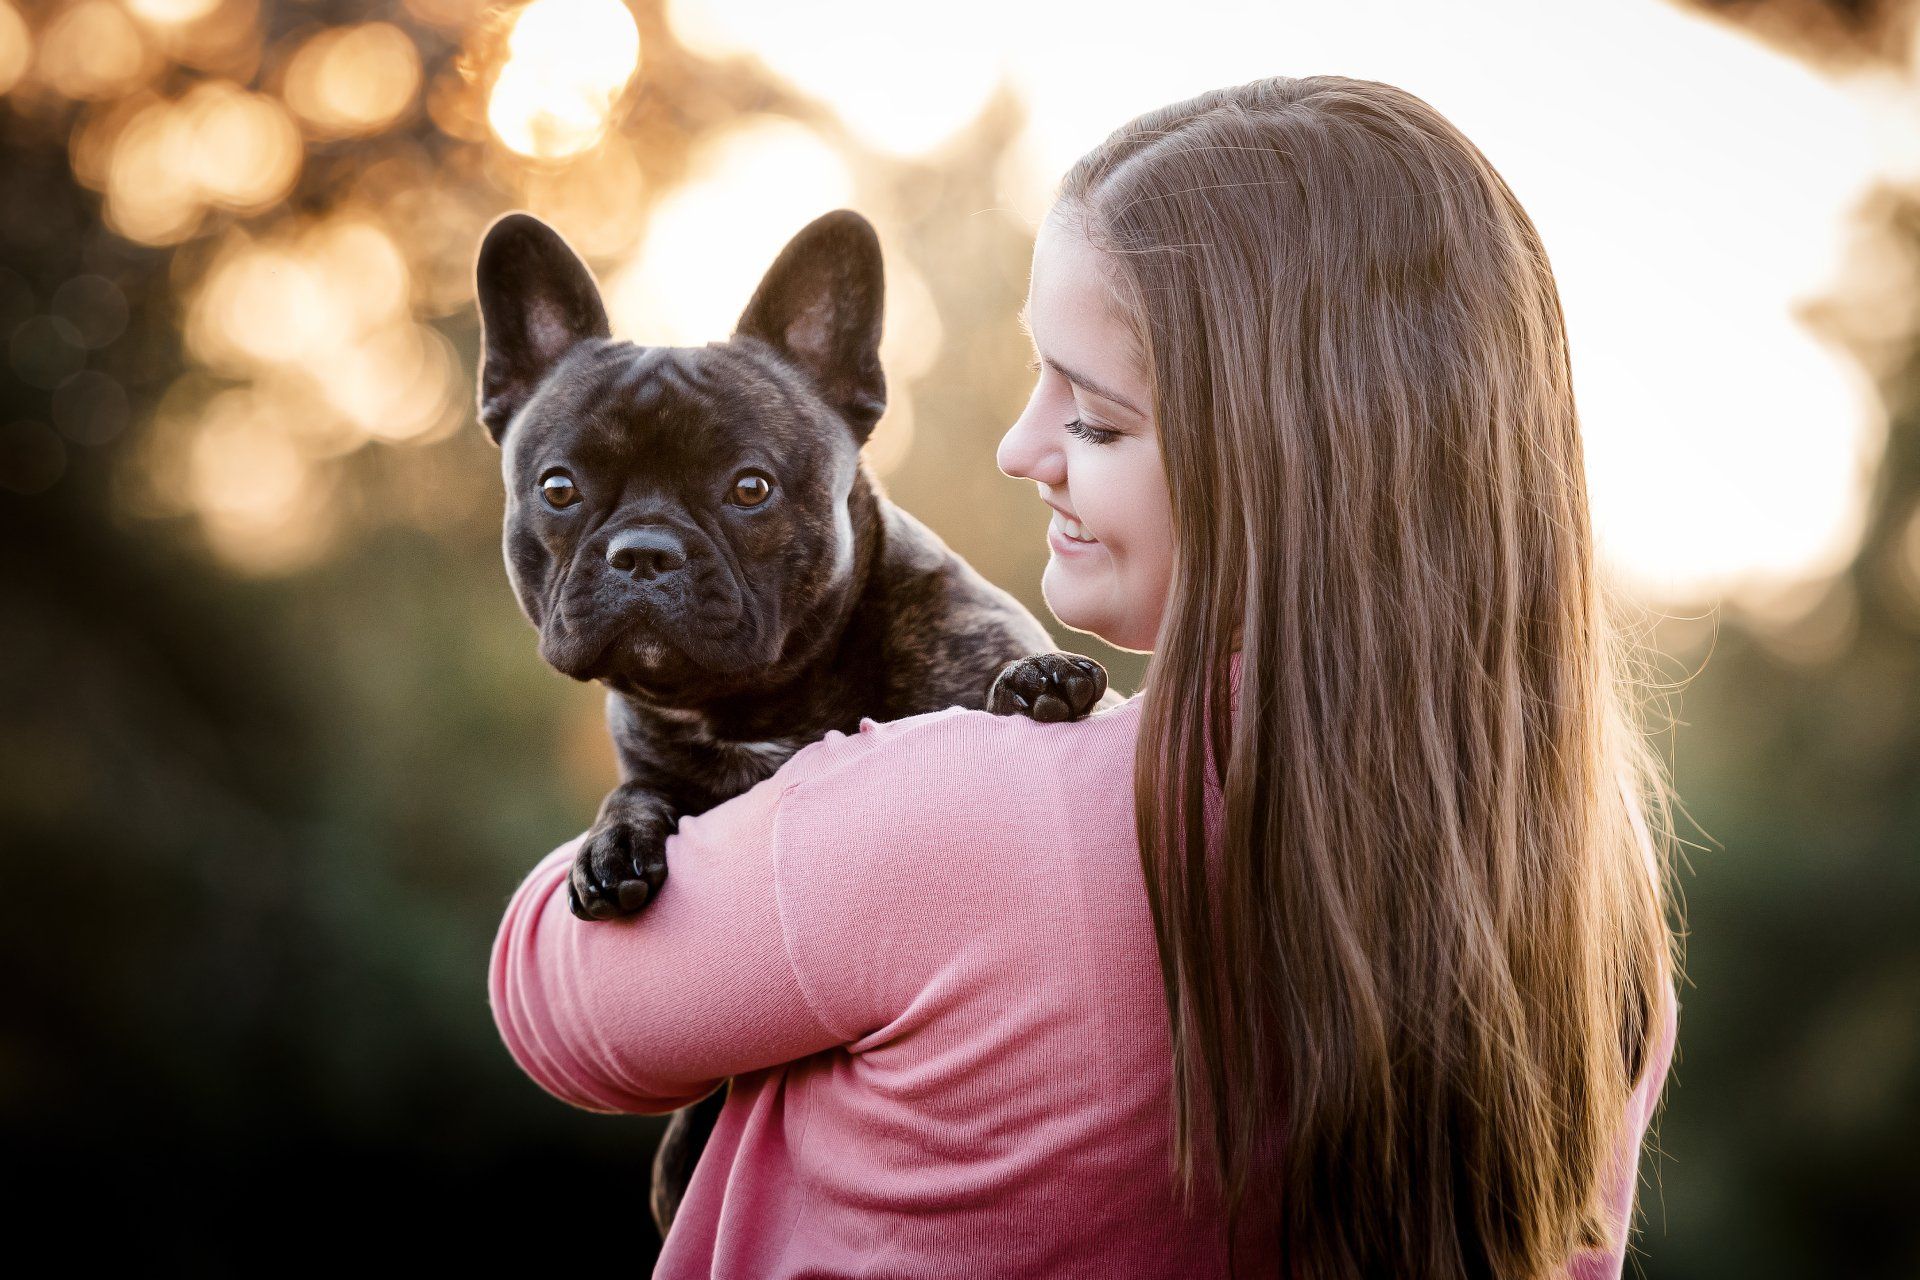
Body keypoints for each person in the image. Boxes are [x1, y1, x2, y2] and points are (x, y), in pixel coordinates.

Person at [489, 74, 1681, 1279]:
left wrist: (682, 791)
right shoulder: (1585, 883)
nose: (1020, 447)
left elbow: (554, 1000)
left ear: (1280, 462)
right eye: (1036, 378)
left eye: (1095, 419)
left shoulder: (948, 815)